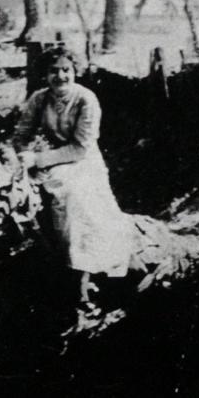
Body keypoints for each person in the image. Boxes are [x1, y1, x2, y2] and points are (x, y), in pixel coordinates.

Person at [14, 46, 133, 311]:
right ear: (45, 74)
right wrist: (24, 154)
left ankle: (83, 277)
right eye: (53, 71)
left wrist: (39, 160)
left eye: (66, 70)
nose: (60, 76)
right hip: (50, 160)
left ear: (74, 71)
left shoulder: (85, 99)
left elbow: (80, 147)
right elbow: (21, 133)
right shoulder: (39, 98)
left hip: (83, 162)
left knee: (77, 202)